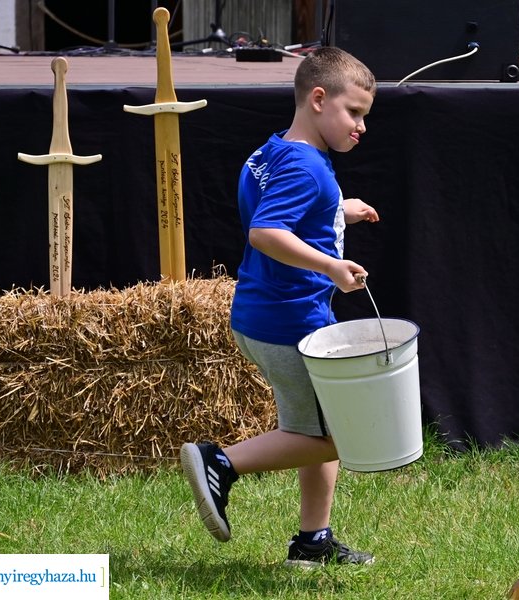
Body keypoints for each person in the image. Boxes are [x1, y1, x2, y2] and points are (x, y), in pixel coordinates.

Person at [180, 46, 379, 567]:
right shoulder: (309, 168)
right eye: (354, 112)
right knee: (340, 436)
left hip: (260, 315)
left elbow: (283, 204)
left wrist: (339, 208)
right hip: (291, 321)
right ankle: (219, 461)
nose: (361, 126)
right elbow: (266, 230)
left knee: (311, 429)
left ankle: (313, 542)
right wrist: (332, 267)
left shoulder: (270, 153)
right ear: (318, 98)